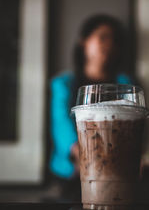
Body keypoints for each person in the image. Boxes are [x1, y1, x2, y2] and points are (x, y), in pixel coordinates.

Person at [49, 14, 135, 198]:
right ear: (83, 41)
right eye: (102, 37)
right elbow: (61, 122)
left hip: (117, 173)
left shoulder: (126, 83)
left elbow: (131, 126)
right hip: (71, 174)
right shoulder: (63, 84)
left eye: (114, 40)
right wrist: (86, 157)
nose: (109, 44)